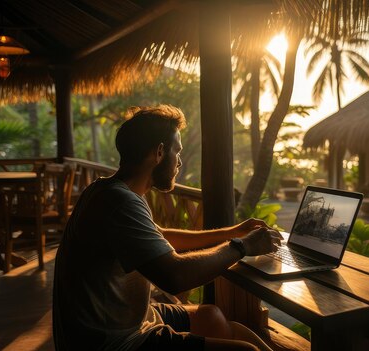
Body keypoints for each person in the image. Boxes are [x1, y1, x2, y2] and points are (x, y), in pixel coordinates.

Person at [53, 105, 281, 350]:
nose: (180, 161)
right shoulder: (120, 202)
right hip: (112, 342)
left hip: (129, 320)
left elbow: (161, 237)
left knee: (212, 316)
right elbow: (175, 277)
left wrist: (232, 232)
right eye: (177, 151)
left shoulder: (111, 190)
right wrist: (242, 246)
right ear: (160, 152)